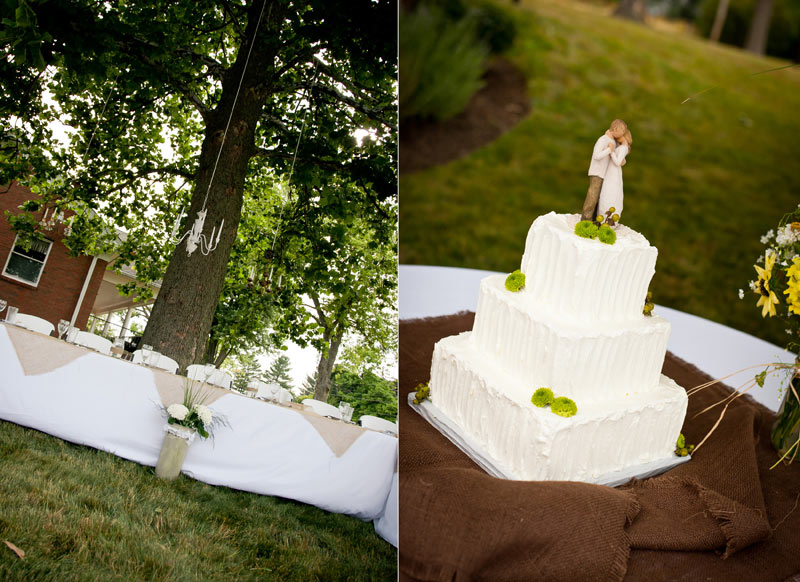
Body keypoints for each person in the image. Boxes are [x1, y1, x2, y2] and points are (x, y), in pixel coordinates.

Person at [581, 119, 627, 221]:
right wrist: (609, 150)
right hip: (597, 172)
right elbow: (597, 156)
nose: (623, 133)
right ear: (615, 129)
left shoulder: (612, 141)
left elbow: (618, 154)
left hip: (604, 174)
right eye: (622, 130)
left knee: (598, 197)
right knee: (592, 196)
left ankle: (594, 219)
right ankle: (585, 219)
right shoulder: (603, 140)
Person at [597, 128, 632, 227]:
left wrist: (611, 151)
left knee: (610, 193)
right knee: (605, 193)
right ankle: (602, 217)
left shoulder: (624, 148)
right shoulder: (620, 146)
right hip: (611, 172)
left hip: (613, 173)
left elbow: (617, 162)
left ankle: (608, 219)